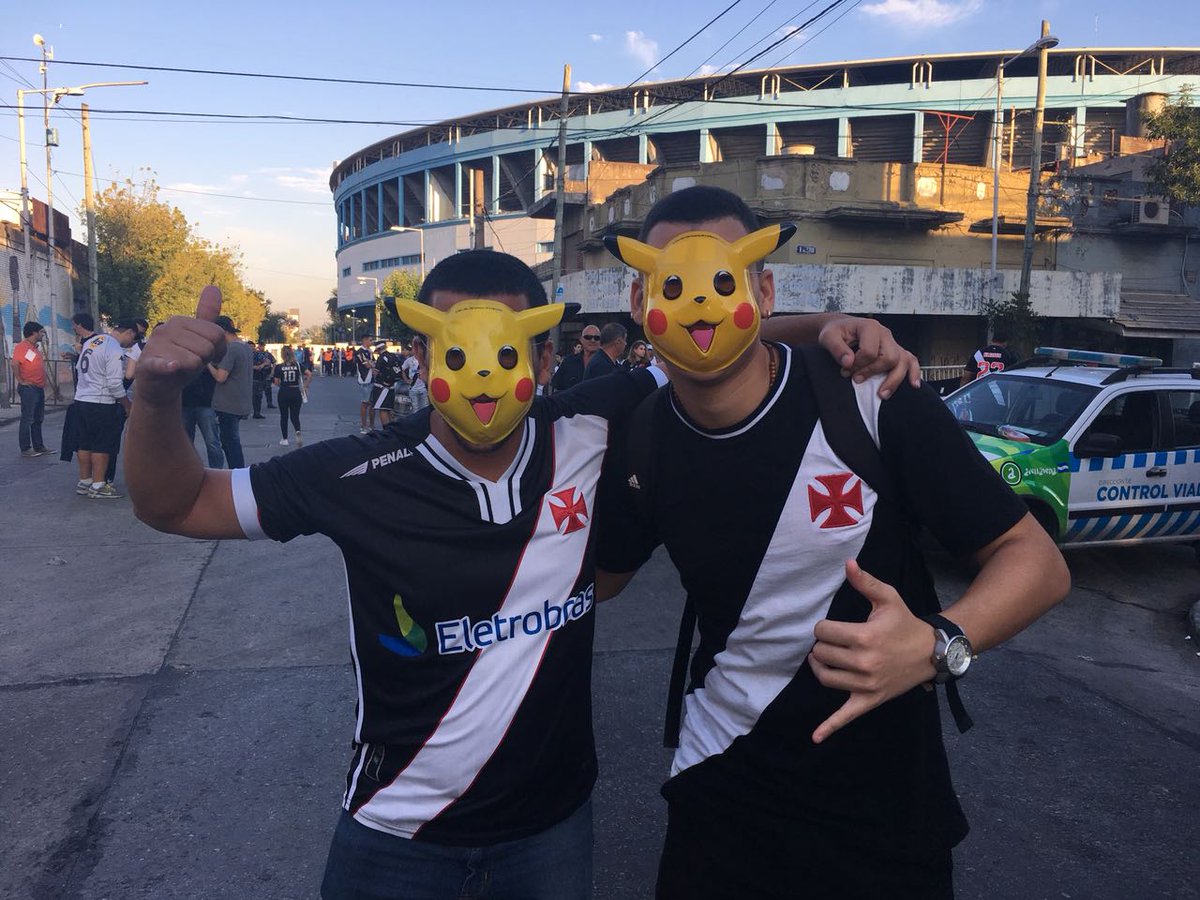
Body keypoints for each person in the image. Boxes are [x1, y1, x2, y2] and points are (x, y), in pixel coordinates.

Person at [123, 250, 917, 900]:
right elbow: (178, 502)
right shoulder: (358, 472)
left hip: (550, 833)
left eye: (506, 349)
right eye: (455, 348)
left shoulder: (588, 425)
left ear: (543, 357)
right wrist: (155, 397)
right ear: (422, 355)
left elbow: (701, 338)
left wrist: (830, 328)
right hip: (396, 834)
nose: (481, 375)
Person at [596, 185, 1071, 900]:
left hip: (883, 815)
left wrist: (937, 642)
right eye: (672, 283)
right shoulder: (643, 435)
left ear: (763, 290)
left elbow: (1035, 561)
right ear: (639, 302)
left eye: (723, 280)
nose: (699, 304)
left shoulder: (870, 396)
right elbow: (593, 581)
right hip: (718, 791)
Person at [73, 319, 139, 499]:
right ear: (129, 332)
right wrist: (127, 404)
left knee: (84, 443)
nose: (131, 343)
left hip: (82, 398)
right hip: (101, 402)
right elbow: (114, 384)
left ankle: (85, 481)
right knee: (102, 445)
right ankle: (99, 485)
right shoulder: (114, 348)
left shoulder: (93, 342)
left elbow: (79, 369)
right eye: (132, 338)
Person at [207, 316, 254, 469]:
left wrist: (207, 364)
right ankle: (237, 471)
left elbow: (220, 377)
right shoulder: (246, 348)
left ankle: (237, 472)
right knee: (231, 439)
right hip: (242, 402)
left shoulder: (232, 349)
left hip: (228, 404)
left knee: (230, 441)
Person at [13, 321, 51, 457]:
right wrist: (21, 381)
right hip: (29, 388)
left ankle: (39, 446)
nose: (42, 334)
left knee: (38, 418)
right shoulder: (22, 347)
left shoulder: (34, 348)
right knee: (28, 418)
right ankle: (25, 448)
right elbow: (15, 364)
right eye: (41, 332)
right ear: (34, 332)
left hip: (38, 387)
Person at [181, 368, 224, 468]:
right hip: (186, 402)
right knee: (186, 442)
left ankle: (217, 470)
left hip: (206, 403)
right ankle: (188, 469)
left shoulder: (209, 361)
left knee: (212, 441)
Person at [273, 345, 311, 447]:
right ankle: (297, 432)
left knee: (284, 416)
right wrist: (305, 386)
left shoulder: (279, 367)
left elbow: (276, 381)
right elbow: (309, 374)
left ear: (282, 355)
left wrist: (282, 384)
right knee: (295, 416)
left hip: (284, 391)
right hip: (295, 391)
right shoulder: (298, 365)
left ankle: (285, 439)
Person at [550, 325, 600, 392]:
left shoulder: (608, 363)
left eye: (596, 338)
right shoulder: (568, 362)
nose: (592, 340)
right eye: (588, 337)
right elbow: (557, 387)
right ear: (581, 340)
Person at [371, 340, 404, 428]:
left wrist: (373, 368)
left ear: (379, 349)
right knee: (389, 409)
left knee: (383, 409)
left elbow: (376, 372)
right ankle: (392, 428)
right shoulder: (394, 356)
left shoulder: (381, 358)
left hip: (382, 387)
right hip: (392, 386)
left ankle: (386, 430)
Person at [354, 335, 376, 433]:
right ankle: (363, 426)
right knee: (365, 403)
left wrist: (371, 363)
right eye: (370, 340)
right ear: (365, 340)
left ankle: (372, 425)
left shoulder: (370, 351)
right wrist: (371, 363)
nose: (371, 342)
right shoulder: (360, 352)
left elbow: (374, 363)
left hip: (372, 379)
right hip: (365, 380)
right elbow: (367, 365)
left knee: (372, 403)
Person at [251, 341, 277, 418]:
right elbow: (254, 366)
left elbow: (273, 362)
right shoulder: (254, 355)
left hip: (266, 375)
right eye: (260, 345)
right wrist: (263, 364)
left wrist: (272, 372)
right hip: (256, 376)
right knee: (256, 395)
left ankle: (269, 403)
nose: (261, 347)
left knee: (267, 390)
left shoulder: (267, 354)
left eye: (263, 346)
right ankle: (255, 412)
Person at [401, 343, 427, 411]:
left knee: (425, 408)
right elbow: (403, 369)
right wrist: (406, 380)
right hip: (413, 388)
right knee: (415, 409)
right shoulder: (409, 360)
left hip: (423, 388)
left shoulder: (425, 360)